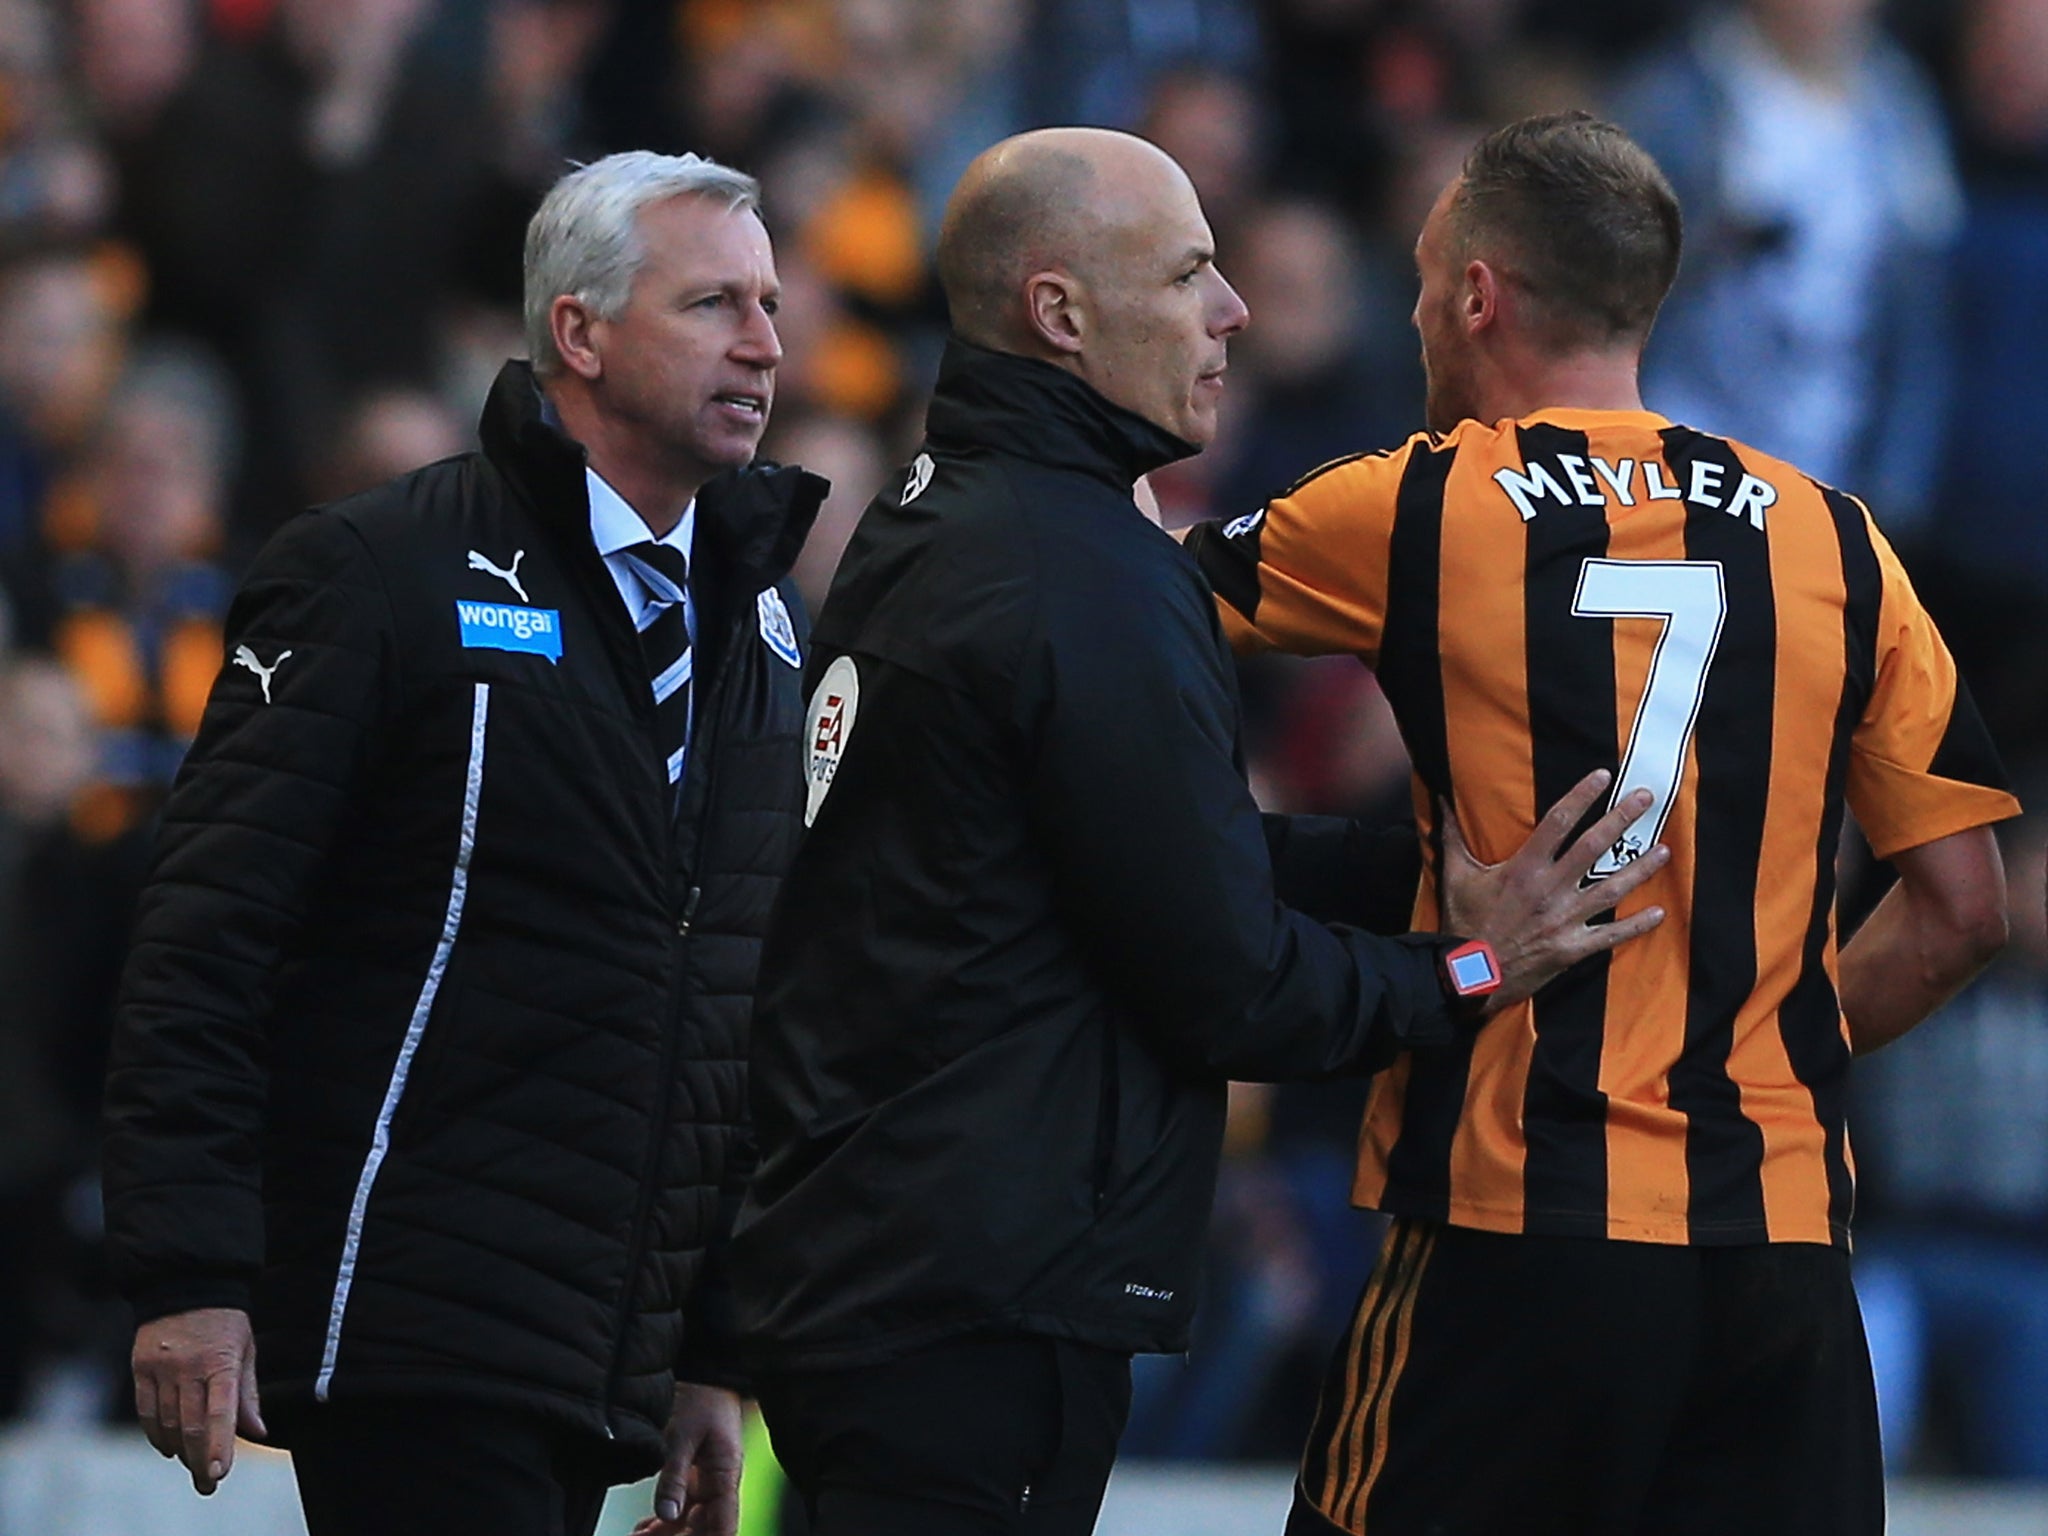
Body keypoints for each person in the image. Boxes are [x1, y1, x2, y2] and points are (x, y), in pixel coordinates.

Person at [728, 126, 1670, 1536]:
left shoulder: (951, 521)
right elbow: (1232, 985)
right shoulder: (1087, 578)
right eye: (1185, 275)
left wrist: (1418, 866)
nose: (1231, 311)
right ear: (1062, 313)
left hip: (893, 1271)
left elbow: (1140, 852)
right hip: (980, 1302)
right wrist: (1475, 970)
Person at [1184, 111, 2021, 1536]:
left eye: (1422, 276)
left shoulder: (1422, 504)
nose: (1411, 309)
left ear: (1476, 294)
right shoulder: (1836, 538)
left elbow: (1120, 621)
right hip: (1779, 1251)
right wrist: (1766, 1037)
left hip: (1522, 1223)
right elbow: (1961, 910)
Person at [100, 150, 825, 1536]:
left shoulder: (769, 627)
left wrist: (714, 1349)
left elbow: (744, 1006)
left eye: (771, 305)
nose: (766, 344)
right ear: (580, 332)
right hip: (408, 1324)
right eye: (714, 304)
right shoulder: (381, 571)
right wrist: (189, 1270)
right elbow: (206, 931)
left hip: (601, 1354)